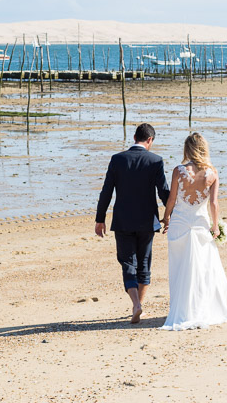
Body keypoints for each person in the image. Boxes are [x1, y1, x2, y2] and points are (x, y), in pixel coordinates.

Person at [95, 123, 170, 324]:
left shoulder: (117, 159)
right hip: (147, 221)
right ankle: (140, 306)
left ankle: (136, 304)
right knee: (144, 262)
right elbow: (164, 192)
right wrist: (171, 214)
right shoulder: (155, 161)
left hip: (123, 220)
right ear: (150, 140)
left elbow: (107, 191)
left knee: (128, 262)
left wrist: (99, 218)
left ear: (134, 136)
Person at [160, 132, 227, 330]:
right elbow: (214, 203)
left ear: (187, 149)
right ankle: (202, 307)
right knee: (202, 269)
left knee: (179, 267)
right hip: (200, 225)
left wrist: (166, 218)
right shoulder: (212, 173)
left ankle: (182, 309)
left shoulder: (178, 171)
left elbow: (172, 199)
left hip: (180, 224)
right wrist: (215, 226)